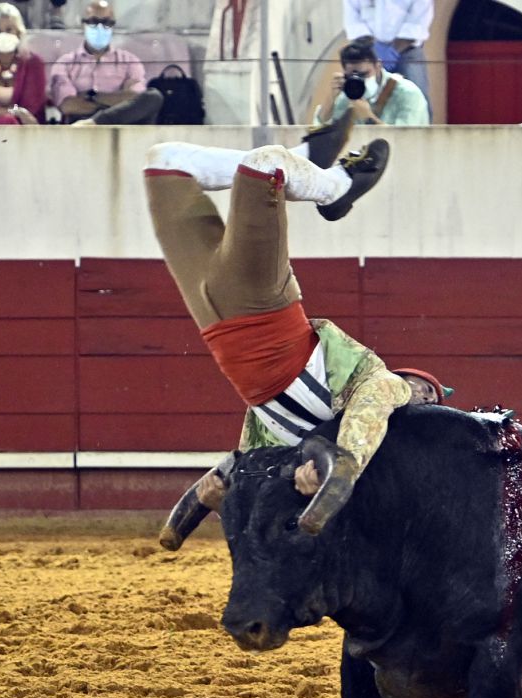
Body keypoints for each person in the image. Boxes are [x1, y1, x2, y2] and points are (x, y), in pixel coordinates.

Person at [143, 119, 449, 546]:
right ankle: (337, 186)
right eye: (424, 386)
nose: (422, 393)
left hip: (210, 318)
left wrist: (218, 493)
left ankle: (305, 158)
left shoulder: (296, 440)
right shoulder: (376, 383)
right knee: (265, 167)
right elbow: (375, 405)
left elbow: (251, 464)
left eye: (430, 397)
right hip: (262, 305)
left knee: (165, 163)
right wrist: (337, 473)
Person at [48, 0, 162, 124]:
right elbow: (68, 105)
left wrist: (91, 96)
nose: (100, 27)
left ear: (113, 25)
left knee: (154, 96)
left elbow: (136, 99)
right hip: (79, 127)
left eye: (106, 22)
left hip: (121, 125)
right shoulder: (66, 63)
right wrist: (117, 105)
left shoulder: (130, 61)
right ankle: (95, 122)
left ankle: (94, 122)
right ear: (83, 24)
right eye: (94, 22)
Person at [317, 38, 430, 127]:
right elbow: (318, 134)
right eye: (352, 75)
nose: (360, 80)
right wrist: (330, 100)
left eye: (364, 74)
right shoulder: (346, 98)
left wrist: (368, 118)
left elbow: (404, 139)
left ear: (378, 66)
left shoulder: (407, 94)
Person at [343, 0, 432, 110]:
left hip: (407, 50)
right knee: (358, 93)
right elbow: (353, 20)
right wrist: (373, 52)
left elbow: (418, 20)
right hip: (367, 51)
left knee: (419, 97)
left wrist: (394, 51)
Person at [0, 2, 45, 124]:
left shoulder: (33, 63)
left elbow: (30, 107)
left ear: (18, 32)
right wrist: (12, 112)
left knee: (7, 121)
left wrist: (7, 115)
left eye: (8, 30)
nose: (3, 35)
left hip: (24, 128)